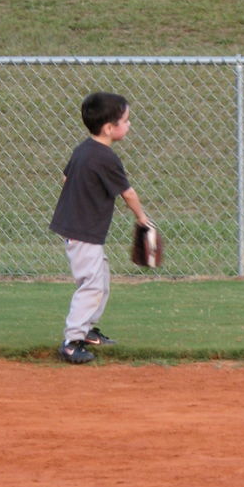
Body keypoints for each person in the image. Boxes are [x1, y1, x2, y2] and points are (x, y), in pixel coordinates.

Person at [50, 92, 150, 364]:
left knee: (100, 281)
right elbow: (127, 194)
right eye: (126, 121)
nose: (129, 125)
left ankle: (89, 331)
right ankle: (72, 341)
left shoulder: (83, 149)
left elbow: (65, 178)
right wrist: (142, 218)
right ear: (109, 128)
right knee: (91, 285)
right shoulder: (106, 157)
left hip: (80, 228)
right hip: (83, 231)